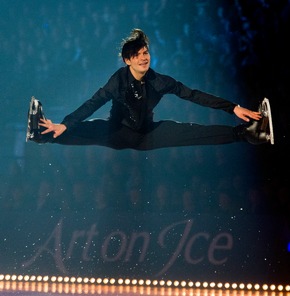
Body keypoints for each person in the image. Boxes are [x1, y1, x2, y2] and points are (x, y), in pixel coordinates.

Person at [26, 28, 271, 150]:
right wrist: (67, 122)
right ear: (127, 60)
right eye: (138, 55)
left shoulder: (160, 81)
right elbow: (94, 102)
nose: (144, 58)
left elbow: (194, 95)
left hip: (148, 134)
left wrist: (233, 108)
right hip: (118, 132)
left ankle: (250, 134)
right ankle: (42, 133)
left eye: (146, 53)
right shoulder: (118, 81)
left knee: (190, 132)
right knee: (89, 129)